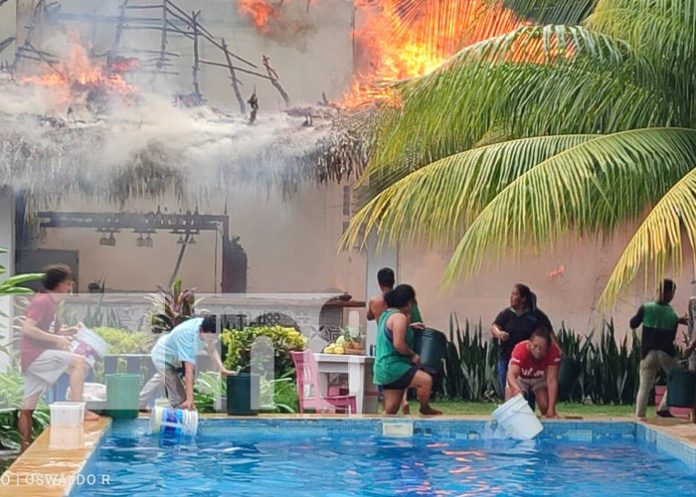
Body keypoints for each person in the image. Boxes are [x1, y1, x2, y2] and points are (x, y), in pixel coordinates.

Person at [19, 264, 99, 451]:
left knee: (28, 405)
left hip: (34, 357)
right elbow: (28, 329)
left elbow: (49, 330)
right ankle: (80, 409)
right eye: (68, 284)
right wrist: (56, 339)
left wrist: (69, 330)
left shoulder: (51, 304)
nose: (70, 288)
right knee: (78, 363)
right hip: (36, 355)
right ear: (58, 284)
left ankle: (24, 446)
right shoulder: (43, 301)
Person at [373, 284, 442, 416]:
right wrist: (413, 355)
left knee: (390, 410)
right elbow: (399, 344)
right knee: (425, 380)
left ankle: (379, 432)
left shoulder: (387, 314)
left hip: (383, 368)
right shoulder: (400, 318)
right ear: (409, 302)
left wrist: (410, 326)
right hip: (394, 367)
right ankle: (424, 407)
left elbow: (392, 329)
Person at [367, 267, 425, 414]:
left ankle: (396, 405)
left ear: (379, 283)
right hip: (396, 343)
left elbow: (369, 316)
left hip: (384, 340)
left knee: (391, 401)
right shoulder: (399, 307)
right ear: (393, 281)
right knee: (404, 371)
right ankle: (405, 400)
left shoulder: (375, 301)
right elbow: (403, 324)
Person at [150, 315, 236, 410]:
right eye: (210, 338)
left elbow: (211, 349)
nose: (211, 341)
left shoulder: (206, 326)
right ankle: (175, 416)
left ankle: (140, 403)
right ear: (202, 331)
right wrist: (189, 399)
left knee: (163, 378)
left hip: (175, 356)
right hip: (163, 356)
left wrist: (222, 369)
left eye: (214, 338)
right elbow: (189, 371)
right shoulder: (187, 336)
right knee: (180, 398)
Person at [632, 279, 688, 418]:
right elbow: (672, 336)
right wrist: (680, 320)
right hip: (665, 354)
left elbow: (633, 324)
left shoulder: (646, 308)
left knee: (644, 387)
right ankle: (663, 407)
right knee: (675, 378)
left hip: (648, 354)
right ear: (670, 293)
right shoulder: (672, 314)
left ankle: (640, 416)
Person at [491, 284, 554, 407]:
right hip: (507, 358)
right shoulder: (506, 314)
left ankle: (529, 413)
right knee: (509, 388)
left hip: (528, 361)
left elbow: (549, 334)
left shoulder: (537, 316)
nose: (511, 297)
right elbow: (495, 326)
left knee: (529, 391)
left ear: (523, 298)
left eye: (515, 294)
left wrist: (558, 351)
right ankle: (512, 414)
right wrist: (499, 334)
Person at [506, 327, 561, 418]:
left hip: (539, 377)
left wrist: (551, 409)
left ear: (548, 347)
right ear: (530, 343)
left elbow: (552, 380)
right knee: (513, 405)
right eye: (535, 346)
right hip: (520, 377)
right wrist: (516, 389)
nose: (538, 351)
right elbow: (511, 374)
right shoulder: (520, 349)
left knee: (545, 407)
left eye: (542, 348)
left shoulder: (553, 352)